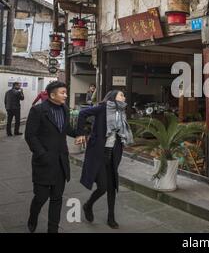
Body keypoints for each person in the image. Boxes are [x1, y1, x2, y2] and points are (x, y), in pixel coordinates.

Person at [25, 81, 83, 233]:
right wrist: (42, 154)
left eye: (66, 92)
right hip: (43, 162)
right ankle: (33, 217)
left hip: (61, 162)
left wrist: (79, 133)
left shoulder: (64, 109)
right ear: (52, 95)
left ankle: (53, 229)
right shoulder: (38, 110)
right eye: (62, 92)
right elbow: (30, 136)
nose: (66, 95)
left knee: (57, 198)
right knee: (41, 197)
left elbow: (66, 129)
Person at [77, 90, 134, 229]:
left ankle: (111, 218)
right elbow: (82, 113)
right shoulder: (103, 107)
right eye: (121, 95)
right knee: (102, 187)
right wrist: (81, 133)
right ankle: (88, 205)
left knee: (112, 187)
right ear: (113, 97)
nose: (124, 97)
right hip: (99, 153)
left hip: (114, 153)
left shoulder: (121, 111)